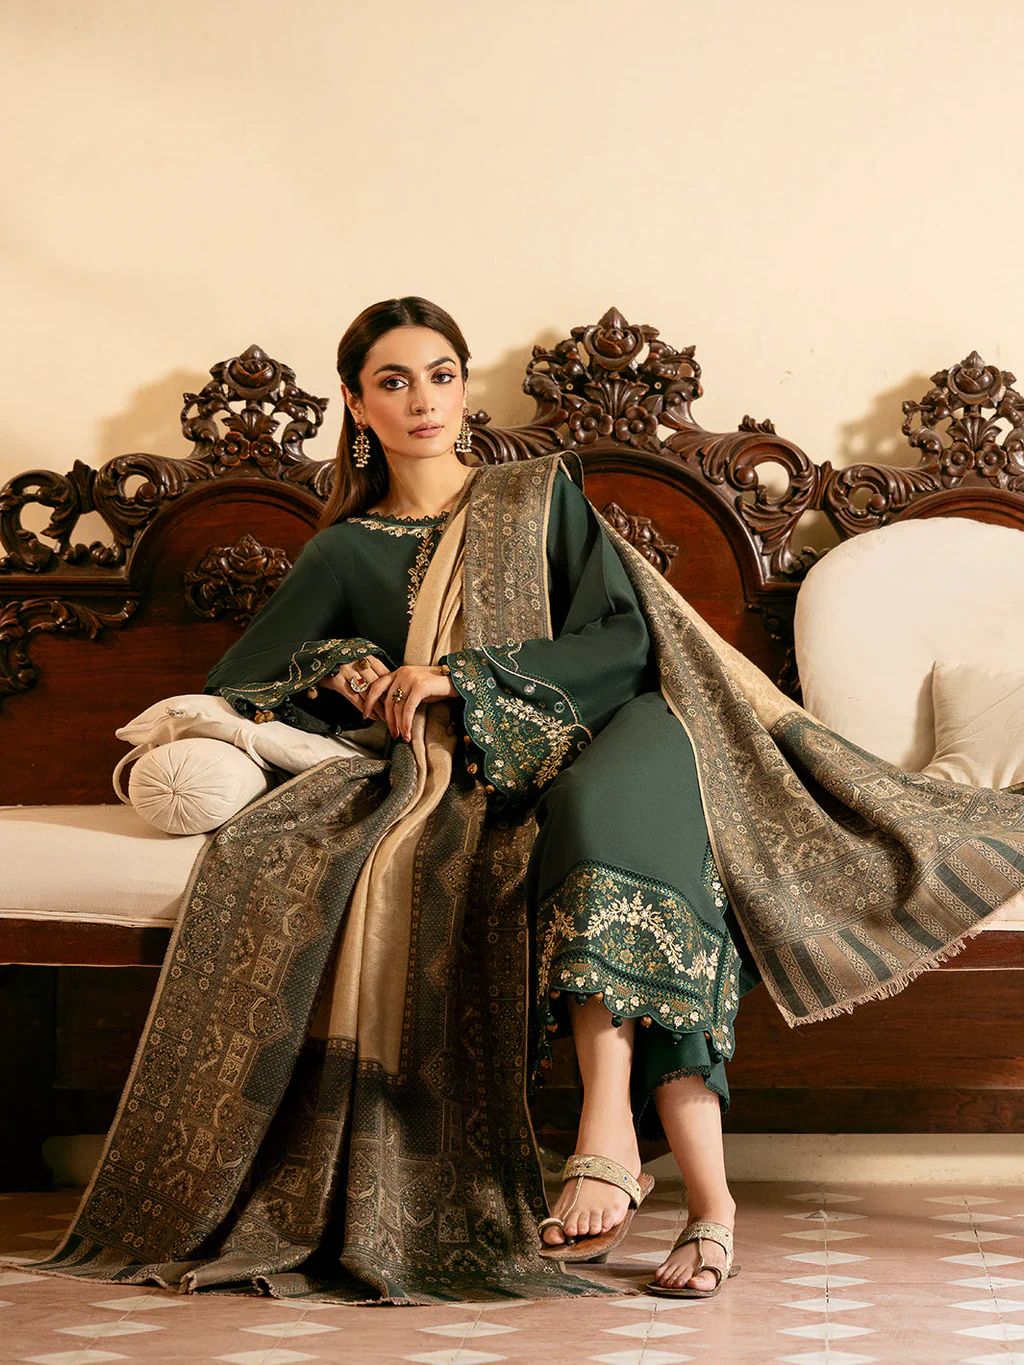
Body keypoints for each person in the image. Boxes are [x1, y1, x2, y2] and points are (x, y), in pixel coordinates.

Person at [15, 298, 1024, 1306]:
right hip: (496, 768)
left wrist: (458, 676)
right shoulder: (344, 552)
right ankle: (707, 1204)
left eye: (441, 375)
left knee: (600, 816)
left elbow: (621, 638)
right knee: (625, 858)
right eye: (395, 381)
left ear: (463, 390)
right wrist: (349, 666)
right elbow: (245, 676)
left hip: (634, 723)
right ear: (357, 405)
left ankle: (608, 1136)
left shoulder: (536, 498)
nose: (424, 400)